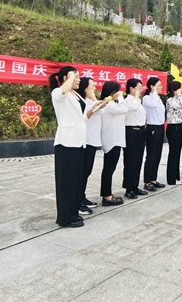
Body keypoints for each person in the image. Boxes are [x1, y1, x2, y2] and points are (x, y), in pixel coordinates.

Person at [50, 67, 103, 228]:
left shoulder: (76, 95)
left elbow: (83, 118)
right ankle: (65, 218)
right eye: (76, 77)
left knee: (74, 181)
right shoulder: (59, 93)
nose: (79, 80)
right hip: (66, 143)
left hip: (79, 142)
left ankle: (73, 213)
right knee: (66, 182)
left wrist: (94, 108)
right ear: (67, 78)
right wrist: (71, 76)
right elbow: (62, 91)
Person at [77, 77, 105, 215]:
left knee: (87, 172)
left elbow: (101, 111)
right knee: (82, 173)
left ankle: (82, 197)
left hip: (93, 140)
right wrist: (94, 98)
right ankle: (77, 202)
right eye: (92, 86)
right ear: (85, 88)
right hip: (85, 141)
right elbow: (96, 111)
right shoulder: (82, 102)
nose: (95, 88)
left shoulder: (90, 101)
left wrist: (94, 99)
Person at [100, 81, 128, 206]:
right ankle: (107, 196)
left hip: (115, 140)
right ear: (112, 92)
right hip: (112, 140)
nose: (120, 93)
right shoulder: (108, 104)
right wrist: (121, 98)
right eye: (118, 91)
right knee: (109, 169)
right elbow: (124, 109)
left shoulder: (111, 104)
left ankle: (107, 194)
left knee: (109, 169)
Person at [122, 78, 148, 200]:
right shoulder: (127, 101)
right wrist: (137, 98)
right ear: (131, 88)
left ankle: (135, 186)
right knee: (130, 161)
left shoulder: (137, 101)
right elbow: (133, 108)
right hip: (131, 131)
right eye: (139, 87)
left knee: (138, 160)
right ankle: (128, 188)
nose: (141, 90)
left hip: (140, 131)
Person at [142, 77, 166, 191]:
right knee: (151, 155)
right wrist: (154, 92)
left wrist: (156, 93)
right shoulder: (147, 98)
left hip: (160, 127)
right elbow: (153, 106)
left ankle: (153, 179)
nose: (161, 87)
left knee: (157, 155)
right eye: (158, 85)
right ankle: (147, 181)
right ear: (152, 86)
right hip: (152, 127)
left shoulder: (159, 98)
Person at [166, 81, 182, 185]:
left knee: (178, 153)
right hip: (174, 127)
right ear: (173, 90)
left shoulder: (179, 99)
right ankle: (171, 179)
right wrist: (179, 96)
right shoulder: (170, 100)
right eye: (179, 88)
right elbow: (178, 106)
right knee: (173, 153)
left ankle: (176, 177)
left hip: (181, 126)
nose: (180, 90)